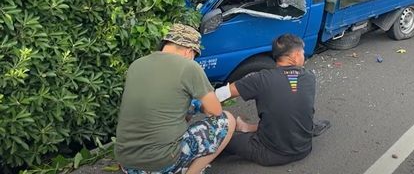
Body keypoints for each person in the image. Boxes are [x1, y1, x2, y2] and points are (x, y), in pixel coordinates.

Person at [115, 24, 236, 174]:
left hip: (127, 163)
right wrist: (201, 105)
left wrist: (193, 105)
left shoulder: (136, 65)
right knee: (227, 120)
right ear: (188, 51)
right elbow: (216, 110)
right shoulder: (189, 67)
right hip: (162, 162)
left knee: (185, 108)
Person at [216, 34, 328, 166]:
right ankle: (246, 127)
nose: (303, 56)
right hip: (304, 148)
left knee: (220, 142)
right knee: (285, 112)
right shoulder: (309, 77)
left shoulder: (261, 79)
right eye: (303, 53)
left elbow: (224, 93)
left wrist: (201, 102)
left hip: (271, 153)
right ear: (296, 55)